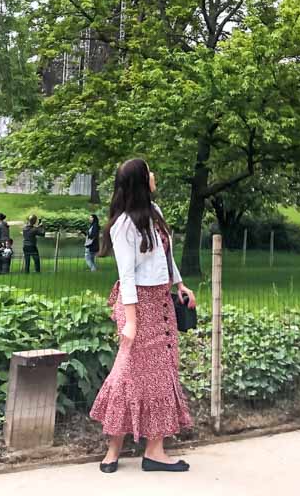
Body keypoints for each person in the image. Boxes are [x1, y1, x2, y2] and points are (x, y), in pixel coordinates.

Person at [90, 158, 196, 474]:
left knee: (163, 373)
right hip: (137, 306)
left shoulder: (157, 214)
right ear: (140, 181)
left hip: (161, 302)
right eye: (149, 171)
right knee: (126, 372)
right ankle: (113, 448)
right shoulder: (123, 225)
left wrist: (179, 284)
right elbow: (128, 274)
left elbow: (166, 257)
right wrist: (132, 321)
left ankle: (155, 451)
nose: (154, 175)